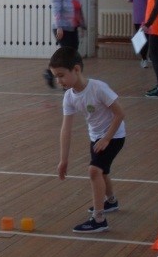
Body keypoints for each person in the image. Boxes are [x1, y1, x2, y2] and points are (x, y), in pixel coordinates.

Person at [49, 46, 125, 233]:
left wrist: (107, 138)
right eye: (55, 77)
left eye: (61, 75)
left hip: (114, 135)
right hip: (96, 137)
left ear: (76, 69)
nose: (58, 81)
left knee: (94, 170)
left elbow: (119, 114)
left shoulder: (98, 88)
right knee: (102, 172)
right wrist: (63, 160)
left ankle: (99, 219)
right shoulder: (69, 97)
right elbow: (66, 129)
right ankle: (111, 201)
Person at [44, 0, 85, 88]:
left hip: (73, 27)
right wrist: (59, 27)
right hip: (62, 27)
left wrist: (82, 25)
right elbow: (56, 11)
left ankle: (52, 73)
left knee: (73, 52)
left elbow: (78, 10)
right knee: (65, 53)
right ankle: (63, 78)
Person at [128, 0, 152, 68]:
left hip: (138, 16)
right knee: (149, 37)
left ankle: (144, 59)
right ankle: (150, 56)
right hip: (149, 16)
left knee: (140, 38)